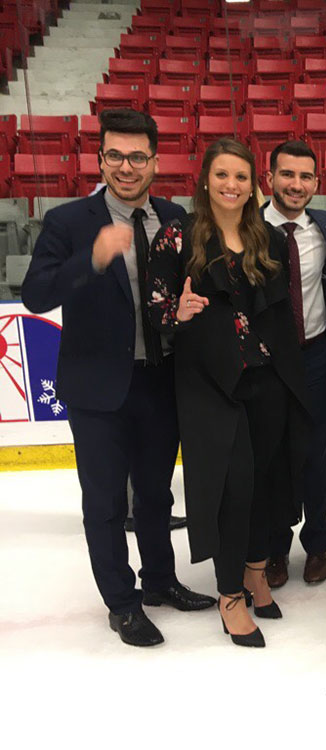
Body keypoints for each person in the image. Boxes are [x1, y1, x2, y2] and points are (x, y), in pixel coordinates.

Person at [21, 108, 214, 647]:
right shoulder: (68, 223)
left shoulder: (175, 216)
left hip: (160, 380)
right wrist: (93, 258)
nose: (126, 167)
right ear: (99, 158)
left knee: (155, 494)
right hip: (97, 390)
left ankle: (159, 581)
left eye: (137, 157)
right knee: (105, 502)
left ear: (156, 160)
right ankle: (122, 603)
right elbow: (37, 295)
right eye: (114, 156)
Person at [146, 138, 309, 648]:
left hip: (267, 379)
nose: (232, 186)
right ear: (205, 179)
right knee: (231, 488)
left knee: (265, 482)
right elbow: (156, 309)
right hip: (211, 384)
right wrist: (180, 313)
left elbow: (282, 314)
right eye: (222, 175)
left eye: (241, 176)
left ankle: (256, 571)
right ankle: (228, 594)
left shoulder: (267, 238)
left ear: (252, 182)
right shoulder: (178, 235)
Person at [261, 140, 326, 588]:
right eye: (287, 175)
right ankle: (275, 548)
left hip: (315, 357)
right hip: (265, 364)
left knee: (316, 455)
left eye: (305, 176)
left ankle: (317, 544)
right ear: (269, 177)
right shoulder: (248, 228)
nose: (296, 185)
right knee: (273, 456)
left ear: (317, 181)